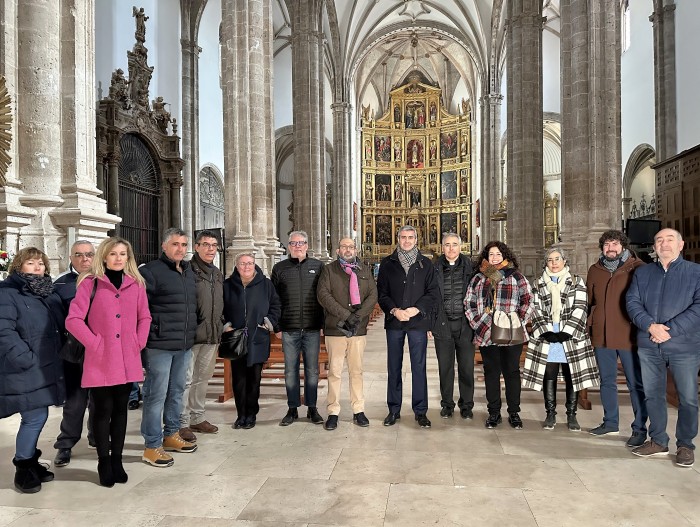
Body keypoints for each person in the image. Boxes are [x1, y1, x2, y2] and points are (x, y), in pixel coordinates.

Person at [65, 237, 151, 487]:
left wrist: (139, 341)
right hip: (101, 358)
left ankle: (117, 461)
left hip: (127, 357)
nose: (118, 258)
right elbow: (73, 320)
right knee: (102, 412)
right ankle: (104, 461)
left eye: (123, 254)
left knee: (121, 411)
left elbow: (144, 316)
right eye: (113, 254)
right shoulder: (90, 284)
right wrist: (94, 343)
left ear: (128, 257)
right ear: (104, 256)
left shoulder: (136, 284)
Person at [626, 228, 700, 467]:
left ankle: (686, 444)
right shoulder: (643, 273)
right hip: (649, 344)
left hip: (684, 346)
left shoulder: (696, 272)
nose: (664, 244)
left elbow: (699, 307)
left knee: (688, 398)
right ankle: (658, 440)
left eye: (670, 240)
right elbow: (632, 302)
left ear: (681, 245)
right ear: (654, 247)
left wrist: (669, 330)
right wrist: (650, 326)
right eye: (659, 240)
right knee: (653, 395)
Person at [0, 247, 65, 493]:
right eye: (31, 263)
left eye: (41, 263)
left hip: (46, 367)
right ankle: (23, 467)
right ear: (18, 267)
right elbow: (3, 332)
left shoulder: (47, 293)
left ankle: (31, 461)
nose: (37, 267)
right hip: (26, 367)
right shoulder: (8, 293)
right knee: (34, 417)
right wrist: (25, 358)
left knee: (39, 416)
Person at [139, 228, 198, 467]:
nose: (180, 249)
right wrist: (151, 333)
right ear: (164, 246)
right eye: (175, 244)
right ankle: (152, 445)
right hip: (160, 345)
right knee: (156, 395)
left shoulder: (188, 271)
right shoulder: (150, 271)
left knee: (176, 392)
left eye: (184, 245)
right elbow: (140, 308)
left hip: (183, 344)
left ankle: (171, 434)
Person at [523, 247, 599, 431]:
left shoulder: (576, 281)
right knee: (549, 375)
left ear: (565, 261)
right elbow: (536, 308)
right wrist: (547, 331)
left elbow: (581, 307)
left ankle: (571, 415)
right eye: (550, 260)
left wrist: (567, 332)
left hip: (570, 335)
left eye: (557, 259)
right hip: (547, 335)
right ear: (546, 263)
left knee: (572, 374)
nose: (554, 263)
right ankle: (550, 414)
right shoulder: (538, 283)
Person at [586, 229, 648, 446]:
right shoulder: (595, 270)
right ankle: (610, 422)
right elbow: (590, 300)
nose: (610, 249)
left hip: (628, 333)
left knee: (635, 383)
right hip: (601, 332)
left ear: (623, 246)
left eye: (614, 244)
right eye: (606, 245)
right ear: (602, 248)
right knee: (607, 381)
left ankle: (640, 428)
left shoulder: (638, 268)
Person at [465, 241, 532, 429]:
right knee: (491, 373)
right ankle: (493, 412)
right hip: (486, 332)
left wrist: (517, 321)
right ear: (486, 257)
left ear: (505, 256)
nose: (494, 258)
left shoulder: (516, 276)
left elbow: (528, 300)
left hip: (511, 332)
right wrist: (480, 325)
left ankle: (514, 412)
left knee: (511, 372)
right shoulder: (479, 278)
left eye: (498, 254)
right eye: (491, 255)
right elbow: (469, 303)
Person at [377, 225, 440, 428]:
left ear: (416, 239)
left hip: (417, 322)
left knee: (419, 367)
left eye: (410, 237)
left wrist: (416, 310)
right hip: (395, 322)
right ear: (398, 238)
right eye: (403, 237)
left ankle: (420, 411)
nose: (406, 241)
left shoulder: (425, 263)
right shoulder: (388, 263)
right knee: (394, 367)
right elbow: (382, 293)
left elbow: (432, 293)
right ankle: (393, 410)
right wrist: (394, 310)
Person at [317, 238, 378, 430]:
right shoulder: (329, 270)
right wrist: (345, 315)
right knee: (334, 372)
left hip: (357, 329)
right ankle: (333, 411)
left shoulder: (364, 270)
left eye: (351, 247)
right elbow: (323, 295)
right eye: (344, 246)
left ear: (356, 250)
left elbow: (373, 295)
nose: (348, 249)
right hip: (335, 328)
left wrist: (357, 316)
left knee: (356, 371)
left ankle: (358, 410)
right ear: (337, 250)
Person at [271, 231, 325, 426]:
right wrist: (276, 326)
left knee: (312, 371)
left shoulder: (318, 267)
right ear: (288, 246)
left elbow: (323, 298)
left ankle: (312, 408)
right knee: (290, 371)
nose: (297, 246)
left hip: (312, 328)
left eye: (301, 243)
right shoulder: (279, 268)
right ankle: (292, 408)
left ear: (307, 245)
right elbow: (273, 300)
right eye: (293, 243)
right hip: (289, 328)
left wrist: (323, 325)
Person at [224, 253, 281, 429]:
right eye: (242, 264)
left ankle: (251, 414)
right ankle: (240, 415)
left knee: (254, 379)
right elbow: (220, 308)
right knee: (239, 380)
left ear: (255, 265)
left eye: (249, 263)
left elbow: (276, 306)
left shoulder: (266, 284)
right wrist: (225, 326)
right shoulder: (228, 285)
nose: (246, 267)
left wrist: (268, 323)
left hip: (258, 337)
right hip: (236, 339)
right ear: (236, 266)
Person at [53, 240, 96, 467]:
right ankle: (65, 444)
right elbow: (57, 320)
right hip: (74, 352)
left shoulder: (104, 281)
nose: (84, 259)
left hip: (100, 351)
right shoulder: (61, 285)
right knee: (75, 401)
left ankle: (96, 437)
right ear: (71, 258)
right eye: (78, 255)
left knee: (99, 400)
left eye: (89, 254)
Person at [178, 230, 224, 442]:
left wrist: (222, 323)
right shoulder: (186, 270)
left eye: (214, 245)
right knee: (186, 380)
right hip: (192, 335)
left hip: (212, 334)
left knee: (202, 379)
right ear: (196, 247)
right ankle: (181, 422)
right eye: (205, 244)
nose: (210, 249)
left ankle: (198, 417)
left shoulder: (216, 273)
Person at [429, 233, 475, 420]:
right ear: (442, 248)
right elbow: (428, 297)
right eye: (447, 245)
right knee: (445, 368)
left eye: (454, 244)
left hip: (466, 324)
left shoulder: (474, 266)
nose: (451, 248)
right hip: (443, 323)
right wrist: (428, 324)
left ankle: (467, 405)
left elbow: (498, 276)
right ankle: (447, 404)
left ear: (461, 246)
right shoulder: (433, 268)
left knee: (466, 368)